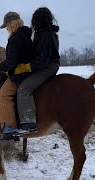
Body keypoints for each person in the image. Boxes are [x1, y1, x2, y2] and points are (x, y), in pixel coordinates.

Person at [16, 7, 60, 135]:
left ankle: (29, 123)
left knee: (24, 89)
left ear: (37, 20)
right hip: (47, 65)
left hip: (47, 67)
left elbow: (41, 60)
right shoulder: (47, 33)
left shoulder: (45, 35)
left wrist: (24, 68)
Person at [0, 11, 33, 141]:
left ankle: (10, 129)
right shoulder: (25, 35)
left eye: (6, 25)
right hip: (27, 71)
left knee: (3, 95)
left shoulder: (16, 38)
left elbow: (12, 61)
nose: (6, 28)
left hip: (20, 74)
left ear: (11, 23)